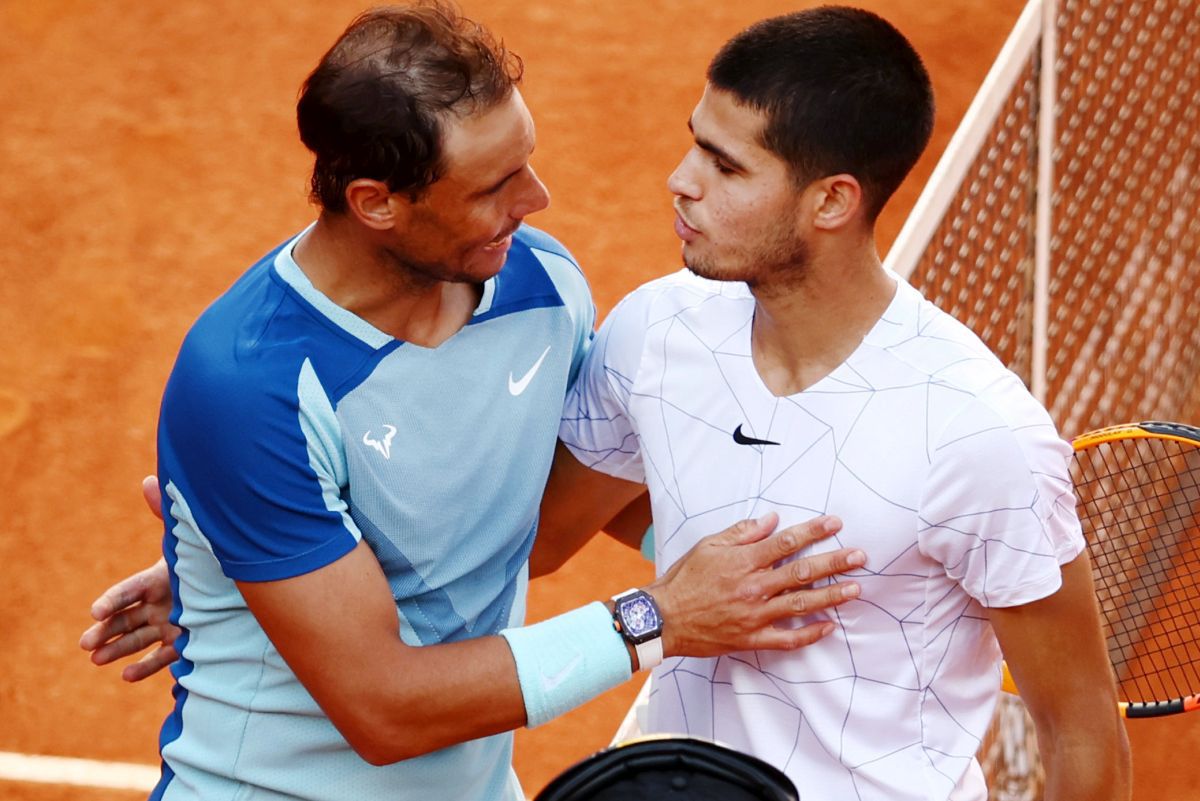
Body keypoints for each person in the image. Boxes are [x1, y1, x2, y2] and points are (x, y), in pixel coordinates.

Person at [85, 5, 1131, 801]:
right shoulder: (251, 383)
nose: (539, 204)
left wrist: (269, 566)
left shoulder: (539, 289)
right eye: (494, 187)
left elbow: (544, 519)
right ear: (376, 203)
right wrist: (262, 576)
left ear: (831, 200)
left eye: (722, 163)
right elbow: (422, 664)